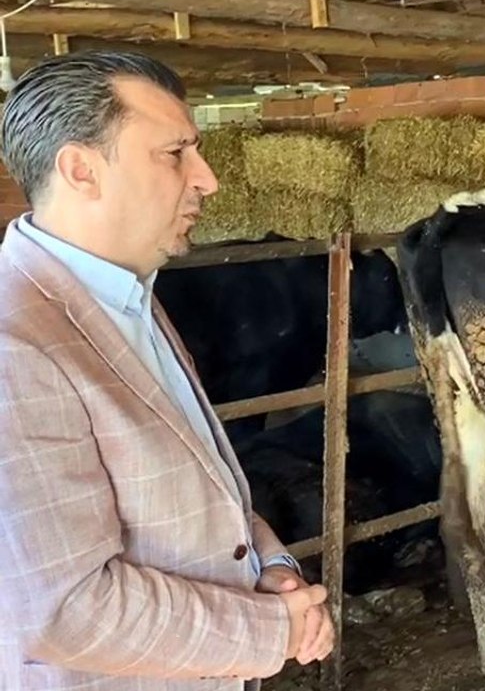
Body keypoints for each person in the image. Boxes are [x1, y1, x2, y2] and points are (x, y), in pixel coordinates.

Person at [0, 50, 335, 689]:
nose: (206, 179)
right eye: (175, 153)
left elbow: (197, 482)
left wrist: (270, 566)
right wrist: (273, 629)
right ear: (81, 170)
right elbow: (64, 608)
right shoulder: (15, 344)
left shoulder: (124, 295)